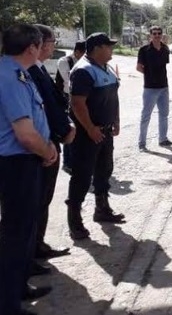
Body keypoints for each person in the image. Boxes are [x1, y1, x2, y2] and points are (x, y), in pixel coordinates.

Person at [0, 24, 57, 315]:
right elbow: (24, 134)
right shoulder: (9, 77)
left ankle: (19, 287)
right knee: (16, 234)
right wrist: (47, 151)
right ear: (32, 47)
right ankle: (9, 305)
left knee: (24, 231)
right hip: (17, 163)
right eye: (40, 44)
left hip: (25, 160)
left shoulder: (18, 72)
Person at [66, 32, 124, 240]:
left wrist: (116, 120)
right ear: (97, 48)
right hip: (87, 134)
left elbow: (113, 96)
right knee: (82, 175)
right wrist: (90, 128)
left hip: (105, 131)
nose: (111, 49)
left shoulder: (106, 67)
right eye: (108, 46)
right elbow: (77, 103)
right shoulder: (83, 70)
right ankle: (74, 221)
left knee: (104, 170)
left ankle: (102, 209)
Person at [27, 25, 75, 266]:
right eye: (52, 41)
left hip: (49, 141)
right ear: (41, 44)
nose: (54, 45)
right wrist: (65, 131)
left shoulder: (39, 68)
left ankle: (38, 245)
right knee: (33, 203)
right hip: (39, 145)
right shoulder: (27, 72)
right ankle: (28, 256)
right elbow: (46, 107)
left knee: (43, 199)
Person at [137, 26, 172, 151]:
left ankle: (163, 139)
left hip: (164, 87)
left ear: (161, 35)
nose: (157, 35)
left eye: (159, 33)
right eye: (154, 33)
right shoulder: (144, 50)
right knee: (146, 116)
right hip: (150, 88)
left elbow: (163, 66)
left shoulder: (165, 49)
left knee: (164, 115)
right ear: (150, 35)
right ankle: (142, 143)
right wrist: (149, 75)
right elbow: (139, 67)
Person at [56, 41, 85, 174]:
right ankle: (67, 162)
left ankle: (78, 160)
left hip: (79, 98)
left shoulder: (85, 62)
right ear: (77, 52)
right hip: (65, 99)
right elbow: (69, 82)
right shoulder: (64, 61)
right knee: (69, 129)